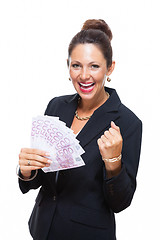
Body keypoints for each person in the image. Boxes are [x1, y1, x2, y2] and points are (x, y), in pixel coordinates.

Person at [18, 19, 142, 240]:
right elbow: (43, 177)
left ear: (110, 67)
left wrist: (113, 163)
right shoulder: (56, 105)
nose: (84, 76)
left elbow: (120, 203)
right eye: (76, 65)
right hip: (42, 227)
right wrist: (27, 171)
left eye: (94, 66)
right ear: (68, 66)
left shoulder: (128, 122)